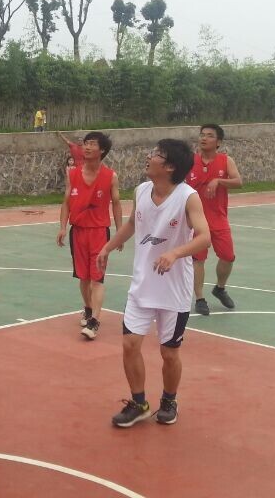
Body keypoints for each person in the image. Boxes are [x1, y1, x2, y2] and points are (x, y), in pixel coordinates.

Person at [95, 139, 211, 428]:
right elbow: (133, 224)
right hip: (142, 285)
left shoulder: (188, 197)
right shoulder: (141, 191)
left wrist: (175, 253)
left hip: (174, 290)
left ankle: (169, 400)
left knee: (169, 353)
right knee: (130, 344)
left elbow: (204, 237)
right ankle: (139, 403)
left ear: (169, 166)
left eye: (156, 154)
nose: (149, 157)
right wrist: (108, 247)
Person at [57, 131, 123, 340]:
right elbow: (66, 202)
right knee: (84, 278)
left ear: (102, 150)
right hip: (78, 231)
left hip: (99, 233)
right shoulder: (72, 174)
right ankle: (87, 308)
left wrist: (120, 232)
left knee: (97, 279)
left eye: (92, 144)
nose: (86, 147)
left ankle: (94, 321)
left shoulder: (110, 176)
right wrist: (62, 227)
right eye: (85, 143)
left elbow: (117, 204)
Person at [186, 124, 243, 316]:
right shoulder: (190, 161)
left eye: (209, 136)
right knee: (198, 259)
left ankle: (220, 288)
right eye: (202, 135)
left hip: (219, 218)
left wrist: (219, 181)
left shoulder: (226, 161)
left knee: (228, 256)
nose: (204, 138)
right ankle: (200, 298)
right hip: (196, 220)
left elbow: (238, 182)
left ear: (218, 142)